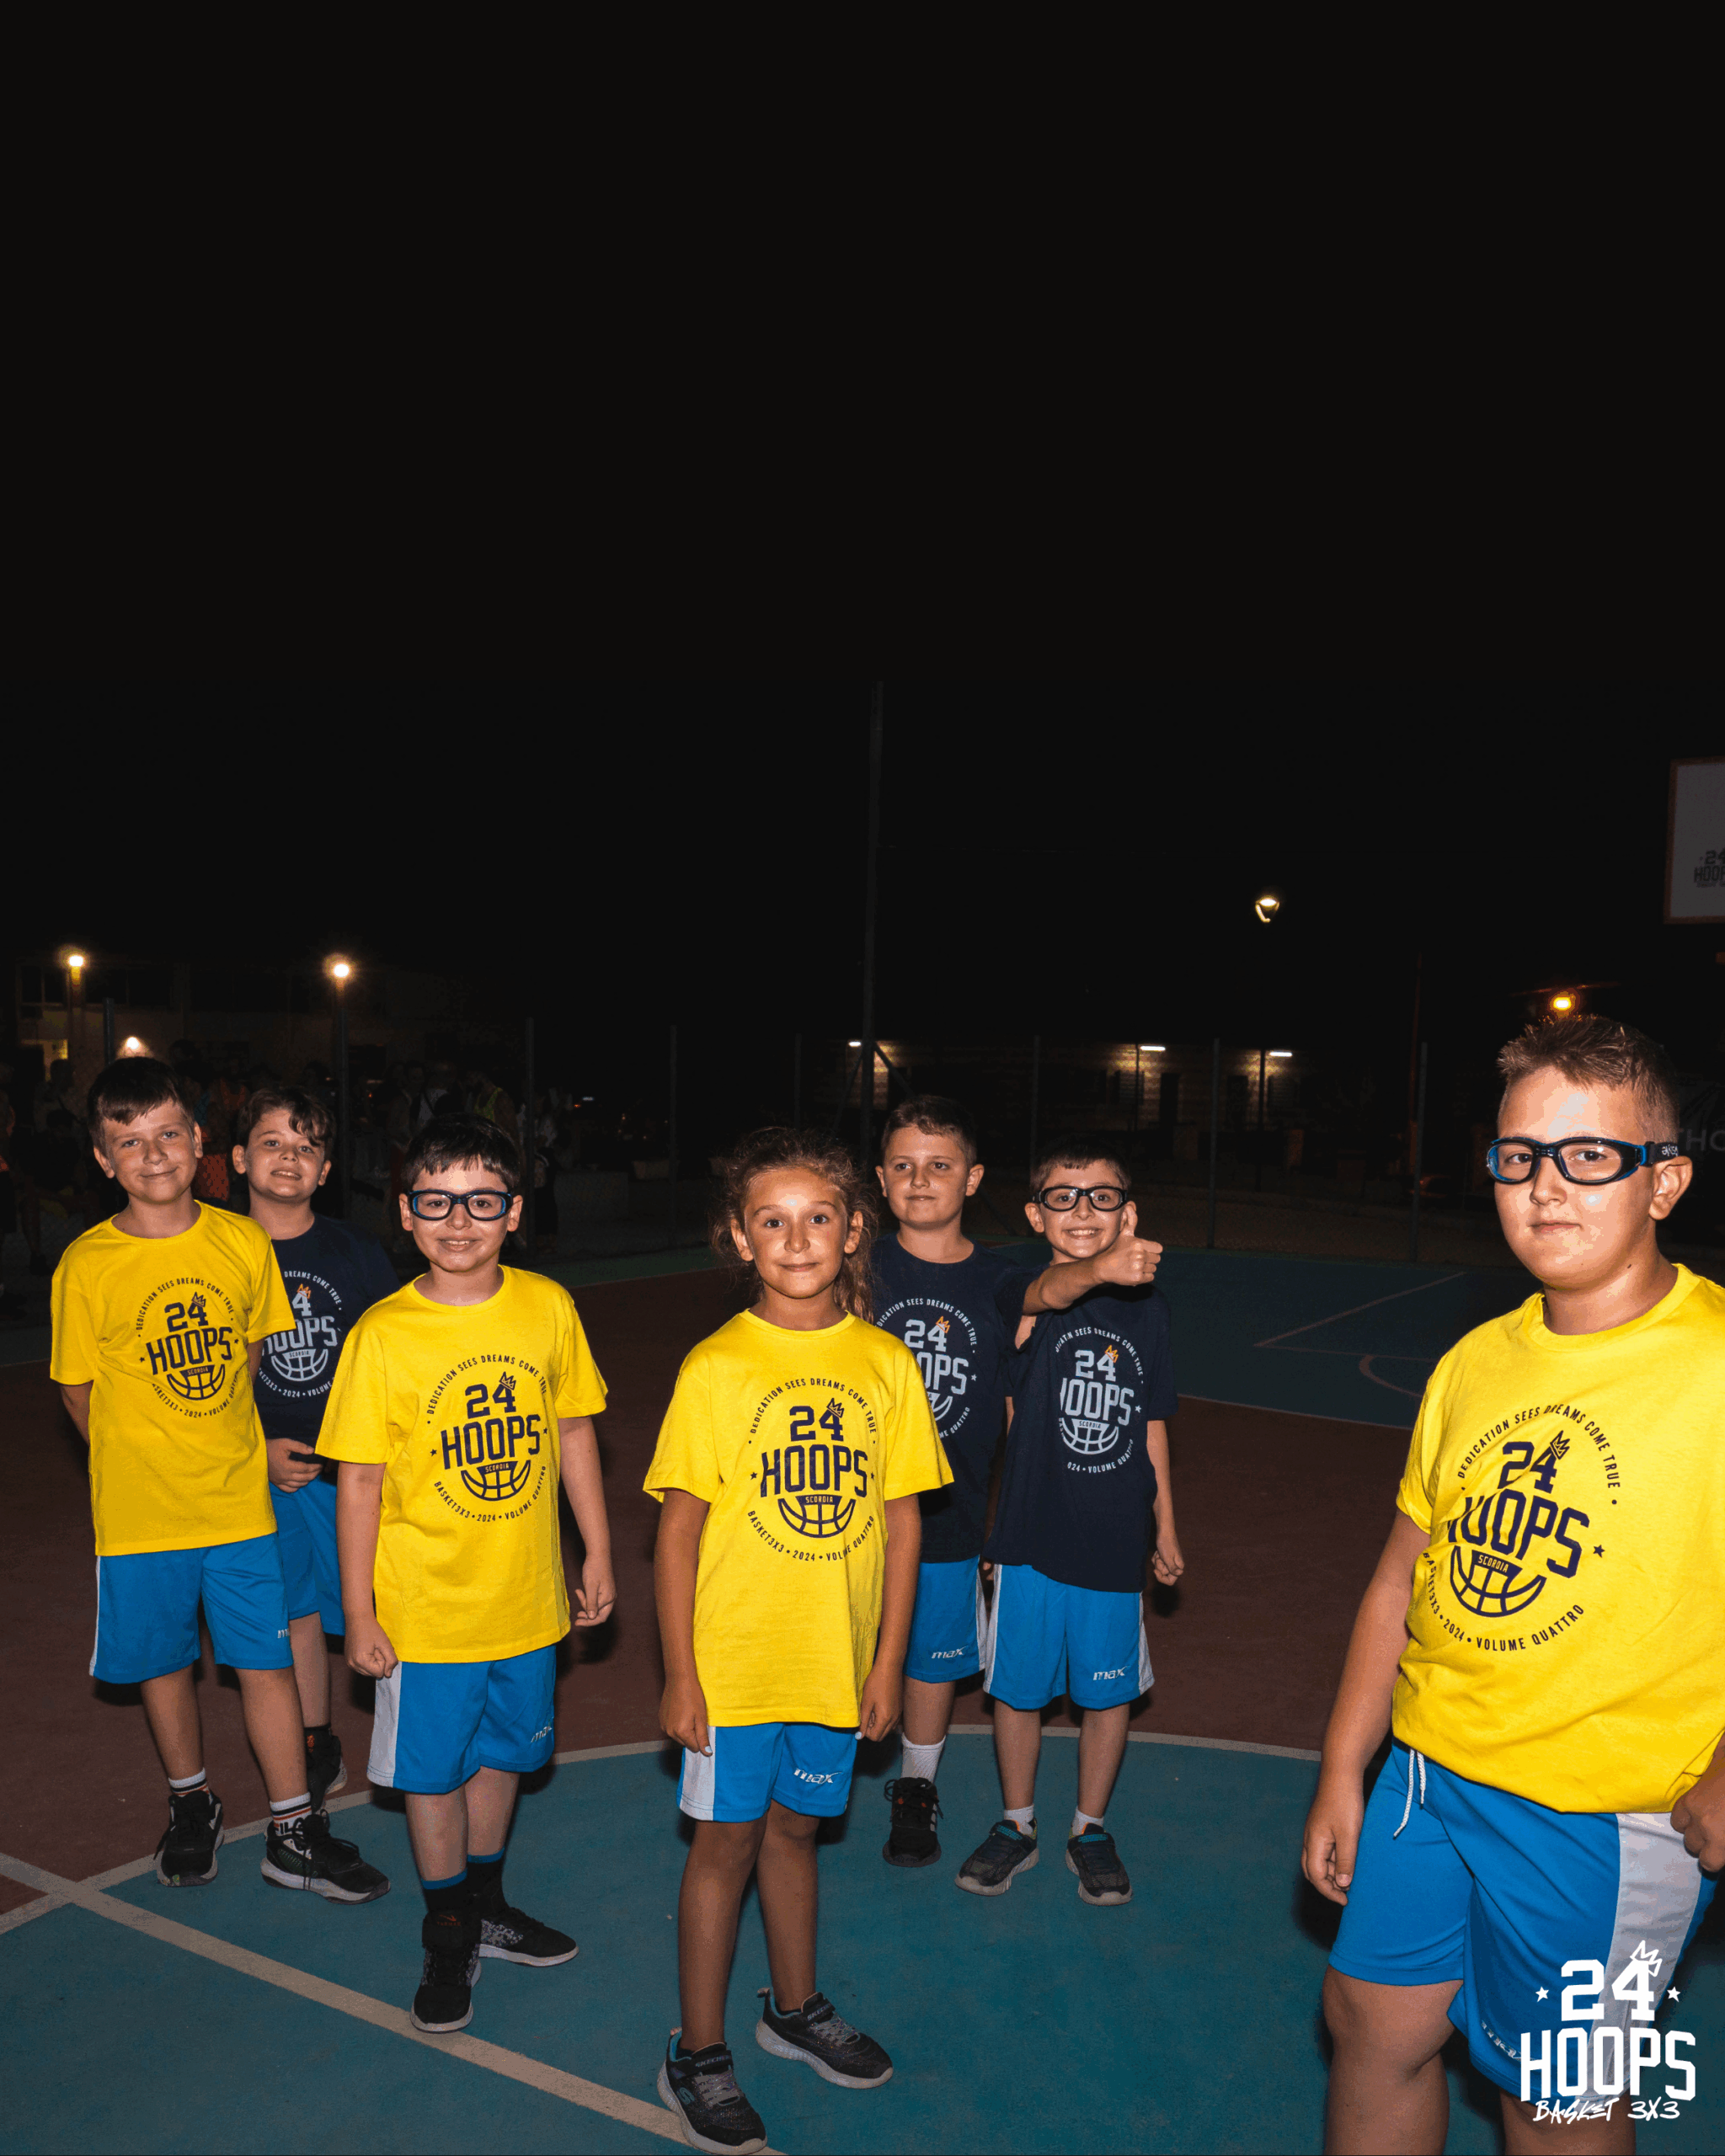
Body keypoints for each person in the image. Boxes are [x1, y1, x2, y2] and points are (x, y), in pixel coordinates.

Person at [1304, 1017, 1724, 2156]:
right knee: (1369, 2024)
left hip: (1601, 1818)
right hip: (1428, 1774)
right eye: (1520, 1154)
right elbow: (1400, 1577)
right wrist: (1344, 1763)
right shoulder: (1473, 1361)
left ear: (1664, 1182)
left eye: (1589, 1155)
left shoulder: (1713, 1360)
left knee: (1553, 2105)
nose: (1546, 1185)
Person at [646, 1127, 952, 2155]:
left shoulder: (883, 1361)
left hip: (831, 1663)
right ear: (739, 1238)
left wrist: (885, 1662)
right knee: (724, 1844)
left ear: (852, 1228)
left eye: (817, 1217)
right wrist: (680, 1673)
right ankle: (697, 2051)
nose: (795, 1238)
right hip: (734, 1666)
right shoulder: (716, 1364)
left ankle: (793, 2006)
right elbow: (677, 1530)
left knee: (794, 1833)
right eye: (770, 1221)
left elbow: (903, 1524)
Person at [48, 1056, 388, 1903]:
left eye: (168, 1134)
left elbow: (251, 1355)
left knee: (264, 1661)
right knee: (165, 1664)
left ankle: (293, 1830)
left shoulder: (241, 1242)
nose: (153, 1154)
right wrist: (141, 1456)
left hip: (239, 1504)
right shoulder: (86, 1264)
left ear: (199, 1141)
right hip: (142, 1515)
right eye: (130, 1142)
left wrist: (219, 1446)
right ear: (103, 1160)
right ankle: (191, 1798)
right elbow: (77, 1390)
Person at [320, 1115, 615, 2036]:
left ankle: (484, 1901)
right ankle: (446, 1925)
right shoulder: (383, 1333)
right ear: (406, 1213)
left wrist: (597, 1548)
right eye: (437, 1202)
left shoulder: (547, 1306)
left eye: (482, 1202)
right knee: (432, 1772)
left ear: (514, 1213)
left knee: (503, 1755)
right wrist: (360, 1610)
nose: (459, 1221)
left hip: (523, 1598)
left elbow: (574, 1429)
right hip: (426, 1609)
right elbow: (358, 1481)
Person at [958, 1134, 1180, 1908]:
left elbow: (1152, 1424)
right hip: (1029, 1536)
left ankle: (1090, 1828)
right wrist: (1101, 1269)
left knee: (1107, 1694)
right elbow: (1050, 1296)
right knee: (1018, 1691)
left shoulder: (1149, 1312)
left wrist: (1167, 1526)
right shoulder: (1017, 1294)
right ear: (1035, 1215)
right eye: (1063, 1197)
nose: (1083, 1210)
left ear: (1128, 1212)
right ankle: (1016, 1823)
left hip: (1114, 1538)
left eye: (1101, 1197)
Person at [231, 1086, 400, 1812]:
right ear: (239, 1159)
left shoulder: (354, 1250)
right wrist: (257, 1448)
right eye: (272, 1142)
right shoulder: (217, 1250)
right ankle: (314, 1737)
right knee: (294, 1609)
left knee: (384, 1603)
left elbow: (393, 1357)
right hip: (261, 1468)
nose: (289, 1157)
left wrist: (368, 1451)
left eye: (307, 1147)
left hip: (351, 1470)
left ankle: (418, 1730)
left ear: (326, 1169)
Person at [868, 1095, 1025, 1867]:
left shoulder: (1004, 1284)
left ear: (974, 1178)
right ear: (880, 1179)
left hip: (950, 1513)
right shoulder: (854, 1267)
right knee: (837, 1647)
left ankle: (916, 1787)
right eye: (903, 1165)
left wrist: (1007, 1521)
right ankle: (805, 1776)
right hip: (847, 1512)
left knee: (930, 1659)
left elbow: (1013, 1412)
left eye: (939, 1165)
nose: (920, 1179)